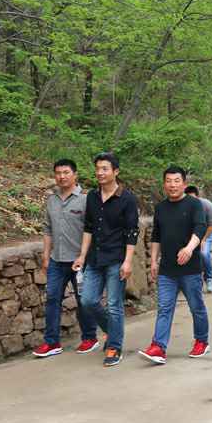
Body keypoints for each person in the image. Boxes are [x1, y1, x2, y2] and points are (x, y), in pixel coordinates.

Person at [72, 152, 139, 368]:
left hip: (116, 259)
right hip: (94, 258)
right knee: (88, 301)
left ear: (115, 172)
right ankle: (112, 331)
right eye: (98, 169)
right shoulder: (92, 196)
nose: (100, 173)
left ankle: (114, 347)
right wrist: (82, 255)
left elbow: (132, 232)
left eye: (105, 169)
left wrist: (128, 261)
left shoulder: (127, 199)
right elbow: (88, 228)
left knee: (114, 304)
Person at [138, 166, 210, 365]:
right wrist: (153, 260)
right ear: (164, 184)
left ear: (184, 184)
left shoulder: (194, 204)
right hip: (167, 270)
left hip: (190, 269)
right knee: (164, 308)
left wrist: (189, 248)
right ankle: (158, 347)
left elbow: (200, 227)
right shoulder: (161, 208)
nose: (172, 185)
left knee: (196, 307)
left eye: (176, 181)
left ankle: (202, 341)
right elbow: (156, 236)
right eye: (168, 181)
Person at [33, 159, 100, 358]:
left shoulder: (86, 200)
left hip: (80, 261)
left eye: (66, 172)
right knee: (52, 299)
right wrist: (46, 256)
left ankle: (90, 338)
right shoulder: (52, 200)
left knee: (84, 300)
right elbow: (47, 229)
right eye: (58, 173)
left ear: (75, 175)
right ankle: (52, 342)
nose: (62, 176)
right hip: (57, 260)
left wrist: (84, 256)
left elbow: (92, 230)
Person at [185, 185, 212, 293]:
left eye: (193, 198)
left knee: (203, 253)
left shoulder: (207, 205)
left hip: (207, 233)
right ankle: (195, 282)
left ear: (198, 197)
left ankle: (209, 279)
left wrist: (203, 239)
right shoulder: (183, 206)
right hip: (192, 234)